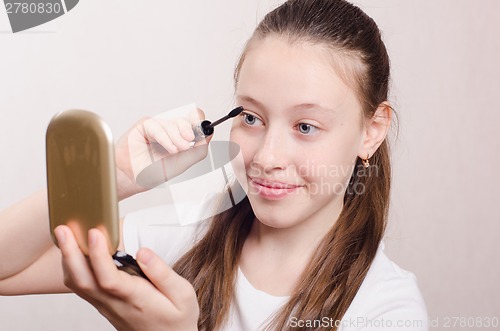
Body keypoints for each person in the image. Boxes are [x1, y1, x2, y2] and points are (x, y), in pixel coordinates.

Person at [0, 0, 428, 330]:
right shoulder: (181, 238)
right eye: (251, 118)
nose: (266, 157)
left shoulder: (386, 309)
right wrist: (117, 177)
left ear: (372, 130)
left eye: (305, 126)